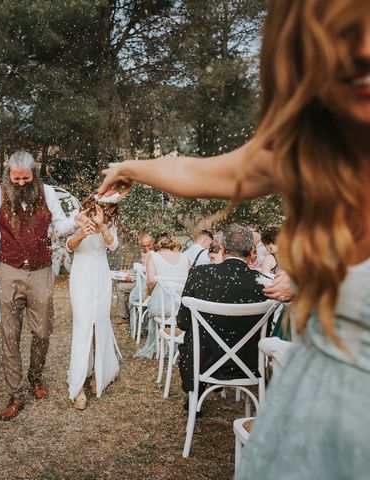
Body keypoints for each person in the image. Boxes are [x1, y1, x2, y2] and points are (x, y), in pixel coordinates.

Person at [99, 2, 370, 475]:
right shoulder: (311, 158)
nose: (365, 50)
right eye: (349, 36)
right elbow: (197, 170)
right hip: (311, 415)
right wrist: (129, 168)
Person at [0, 150, 93, 421]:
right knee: (10, 335)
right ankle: (16, 394)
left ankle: (35, 376)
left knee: (43, 331)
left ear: (34, 173)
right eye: (15, 179)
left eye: (25, 178)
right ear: (8, 174)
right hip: (9, 270)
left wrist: (75, 220)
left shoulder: (47, 193)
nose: (20, 183)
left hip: (40, 270)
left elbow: (60, 225)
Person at [176, 225, 268, 396]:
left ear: (223, 249)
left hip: (203, 360)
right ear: (250, 251)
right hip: (247, 362)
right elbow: (266, 333)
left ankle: (194, 396)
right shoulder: (261, 282)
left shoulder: (199, 274)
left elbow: (183, 322)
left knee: (197, 340)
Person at [66, 202, 120, 410]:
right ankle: (78, 384)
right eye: (106, 210)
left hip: (101, 274)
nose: (108, 214)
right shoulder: (78, 220)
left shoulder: (108, 226)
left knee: (100, 323)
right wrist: (84, 232)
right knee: (82, 324)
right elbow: (69, 247)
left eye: (112, 212)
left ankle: (99, 371)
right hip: (81, 274)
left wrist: (103, 226)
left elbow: (113, 245)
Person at [135, 236, 190, 359]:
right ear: (171, 247)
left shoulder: (153, 257)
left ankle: (155, 346)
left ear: (158, 248)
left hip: (162, 307)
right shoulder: (185, 258)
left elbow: (150, 282)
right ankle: (175, 345)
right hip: (181, 308)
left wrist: (149, 293)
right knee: (163, 308)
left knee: (152, 308)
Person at [112, 232, 155, 326]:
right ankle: (126, 312)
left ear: (153, 243)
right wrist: (126, 272)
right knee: (120, 280)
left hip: (147, 285)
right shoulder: (147, 253)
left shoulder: (153, 254)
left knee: (120, 286)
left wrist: (129, 276)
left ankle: (123, 316)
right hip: (142, 280)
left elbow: (145, 273)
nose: (147, 248)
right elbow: (141, 269)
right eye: (144, 246)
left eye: (149, 245)